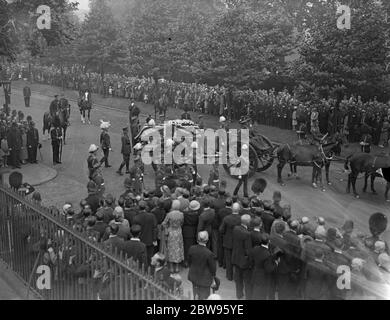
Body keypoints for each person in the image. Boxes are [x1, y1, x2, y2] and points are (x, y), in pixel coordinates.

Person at [188, 231, 216, 300]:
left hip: (194, 277)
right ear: (207, 240)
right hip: (205, 280)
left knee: (195, 295)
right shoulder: (209, 253)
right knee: (204, 297)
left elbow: (189, 262)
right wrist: (213, 278)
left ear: (197, 239)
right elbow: (213, 269)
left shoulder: (192, 248)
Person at [232, 214, 252, 300]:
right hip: (244, 260)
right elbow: (248, 250)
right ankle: (248, 297)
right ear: (248, 223)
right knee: (246, 281)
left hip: (236, 257)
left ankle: (239, 295)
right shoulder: (247, 234)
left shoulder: (236, 228)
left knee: (238, 279)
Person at [162, 200, 185, 273]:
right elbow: (182, 223)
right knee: (178, 248)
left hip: (171, 232)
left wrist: (167, 228)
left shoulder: (169, 214)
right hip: (178, 232)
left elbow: (164, 223)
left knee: (171, 249)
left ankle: (171, 268)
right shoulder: (181, 214)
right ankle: (177, 267)